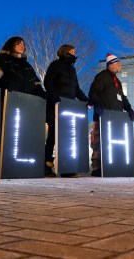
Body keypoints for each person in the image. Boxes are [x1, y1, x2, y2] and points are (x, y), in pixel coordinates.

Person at [43, 44, 89, 177]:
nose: (74, 53)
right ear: (65, 52)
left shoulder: (72, 70)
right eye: (72, 51)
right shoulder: (55, 65)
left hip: (69, 108)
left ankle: (66, 167)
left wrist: (86, 100)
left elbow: (77, 89)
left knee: (67, 138)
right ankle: (46, 165)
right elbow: (48, 83)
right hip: (56, 106)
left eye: (75, 51)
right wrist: (55, 98)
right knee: (53, 136)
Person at [88, 54, 134, 177]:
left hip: (116, 117)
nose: (120, 65)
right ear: (111, 64)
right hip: (103, 115)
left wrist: (129, 108)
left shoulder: (117, 81)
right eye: (118, 63)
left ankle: (113, 165)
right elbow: (93, 92)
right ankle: (97, 167)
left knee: (113, 142)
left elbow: (122, 97)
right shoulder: (102, 77)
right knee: (99, 141)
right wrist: (98, 106)